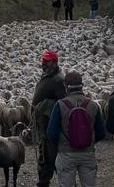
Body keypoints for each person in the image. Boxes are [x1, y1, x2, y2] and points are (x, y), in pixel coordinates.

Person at [47, 72, 105, 187]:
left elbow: (51, 133)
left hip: (66, 154)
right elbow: (101, 132)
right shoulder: (93, 105)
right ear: (82, 85)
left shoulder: (60, 105)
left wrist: (61, 145)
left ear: (65, 86)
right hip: (88, 153)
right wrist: (88, 141)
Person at [32, 50, 66, 187]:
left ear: (55, 63)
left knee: (51, 157)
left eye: (47, 61)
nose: (44, 63)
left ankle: (61, 182)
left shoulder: (58, 80)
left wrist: (45, 106)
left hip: (50, 127)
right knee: (45, 157)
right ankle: (44, 182)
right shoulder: (48, 76)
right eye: (43, 60)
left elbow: (62, 103)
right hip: (43, 126)